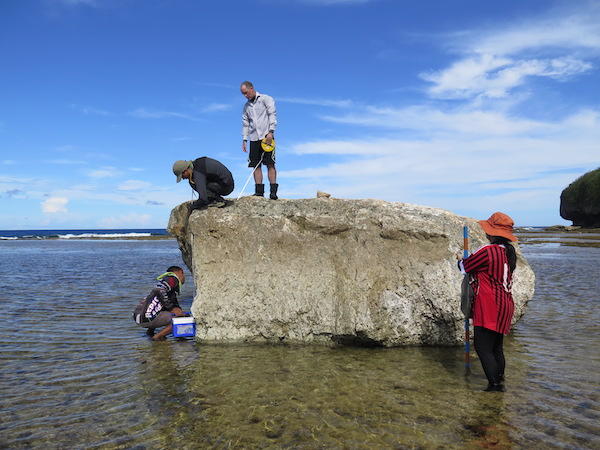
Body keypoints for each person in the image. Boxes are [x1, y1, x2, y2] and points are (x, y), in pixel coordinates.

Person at [456, 212, 518, 392]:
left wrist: (460, 260)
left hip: (490, 304)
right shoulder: (509, 251)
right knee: (496, 346)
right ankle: (500, 379)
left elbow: (465, 268)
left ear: (491, 232)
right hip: (506, 303)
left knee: (482, 347)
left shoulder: (489, 251)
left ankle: (495, 386)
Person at [240, 81, 279, 200]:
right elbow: (245, 123)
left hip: (266, 136)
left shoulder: (266, 99)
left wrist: (271, 132)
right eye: (243, 94)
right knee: (256, 165)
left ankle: (273, 192)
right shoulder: (246, 107)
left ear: (251, 88)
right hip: (253, 138)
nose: (245, 96)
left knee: (270, 163)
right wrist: (245, 139)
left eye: (246, 93)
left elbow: (272, 114)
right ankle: (259, 192)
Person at [133, 266, 187, 341]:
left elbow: (171, 302)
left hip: (139, 317)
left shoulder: (168, 285)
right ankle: (157, 337)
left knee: (163, 309)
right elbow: (160, 290)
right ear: (179, 272)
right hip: (146, 317)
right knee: (179, 320)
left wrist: (177, 309)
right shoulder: (172, 279)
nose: (184, 277)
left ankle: (150, 333)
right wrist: (172, 309)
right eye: (183, 274)